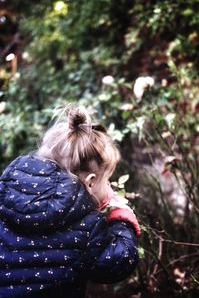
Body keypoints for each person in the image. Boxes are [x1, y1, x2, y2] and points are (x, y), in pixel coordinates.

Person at [0, 105, 140, 298]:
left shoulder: (6, 194)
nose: (108, 186)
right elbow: (118, 262)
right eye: (106, 180)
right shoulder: (87, 226)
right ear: (90, 182)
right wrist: (122, 220)